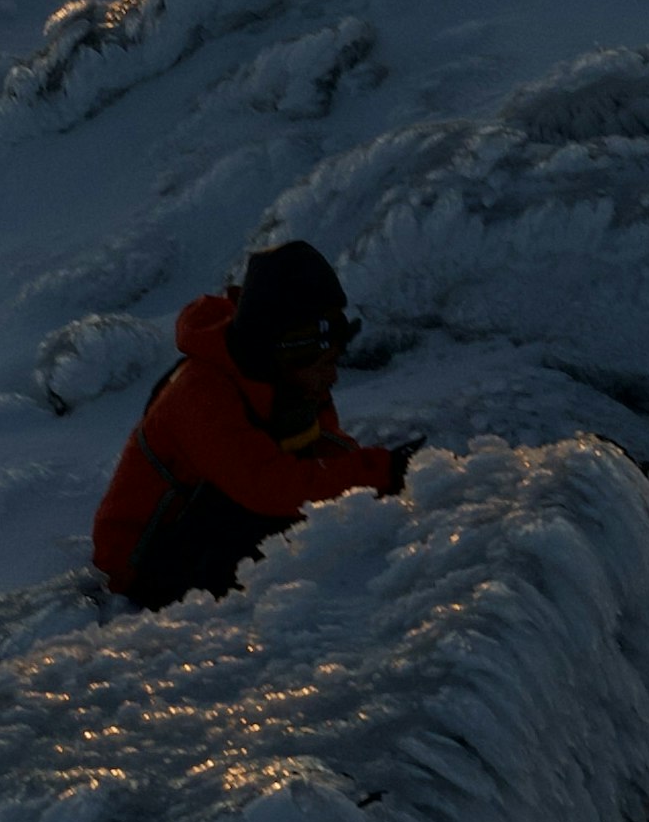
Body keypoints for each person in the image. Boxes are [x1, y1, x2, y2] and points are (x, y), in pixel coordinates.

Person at [89, 240, 411, 607]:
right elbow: (267, 486)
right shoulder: (202, 393)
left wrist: (382, 482)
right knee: (274, 518)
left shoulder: (291, 382)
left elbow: (324, 447)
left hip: (209, 524)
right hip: (140, 566)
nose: (333, 377)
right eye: (325, 364)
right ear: (289, 355)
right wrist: (375, 474)